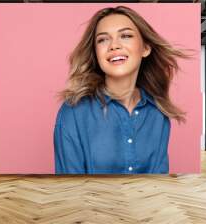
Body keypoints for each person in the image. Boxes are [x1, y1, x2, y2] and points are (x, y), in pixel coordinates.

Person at [54, 6, 188, 174]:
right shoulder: (73, 112)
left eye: (125, 36)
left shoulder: (158, 114)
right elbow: (69, 189)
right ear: (96, 53)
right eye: (103, 40)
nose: (114, 45)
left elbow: (158, 185)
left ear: (145, 48)